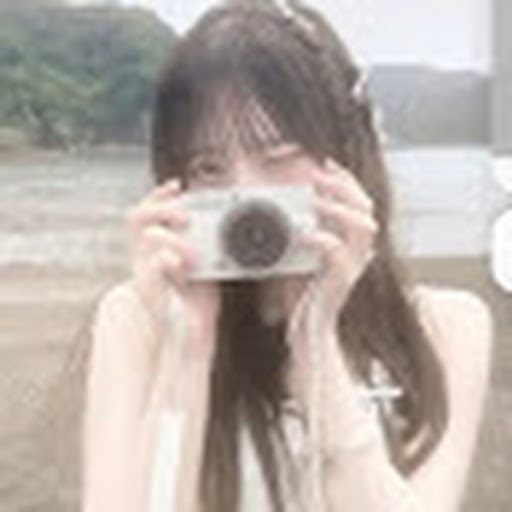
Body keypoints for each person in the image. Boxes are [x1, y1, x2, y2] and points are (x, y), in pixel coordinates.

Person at [82, 1, 493, 511]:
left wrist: (316, 345)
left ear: (350, 154)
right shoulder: (136, 319)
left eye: (277, 158)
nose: (247, 196)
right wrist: (187, 353)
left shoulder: (447, 327)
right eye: (209, 169)